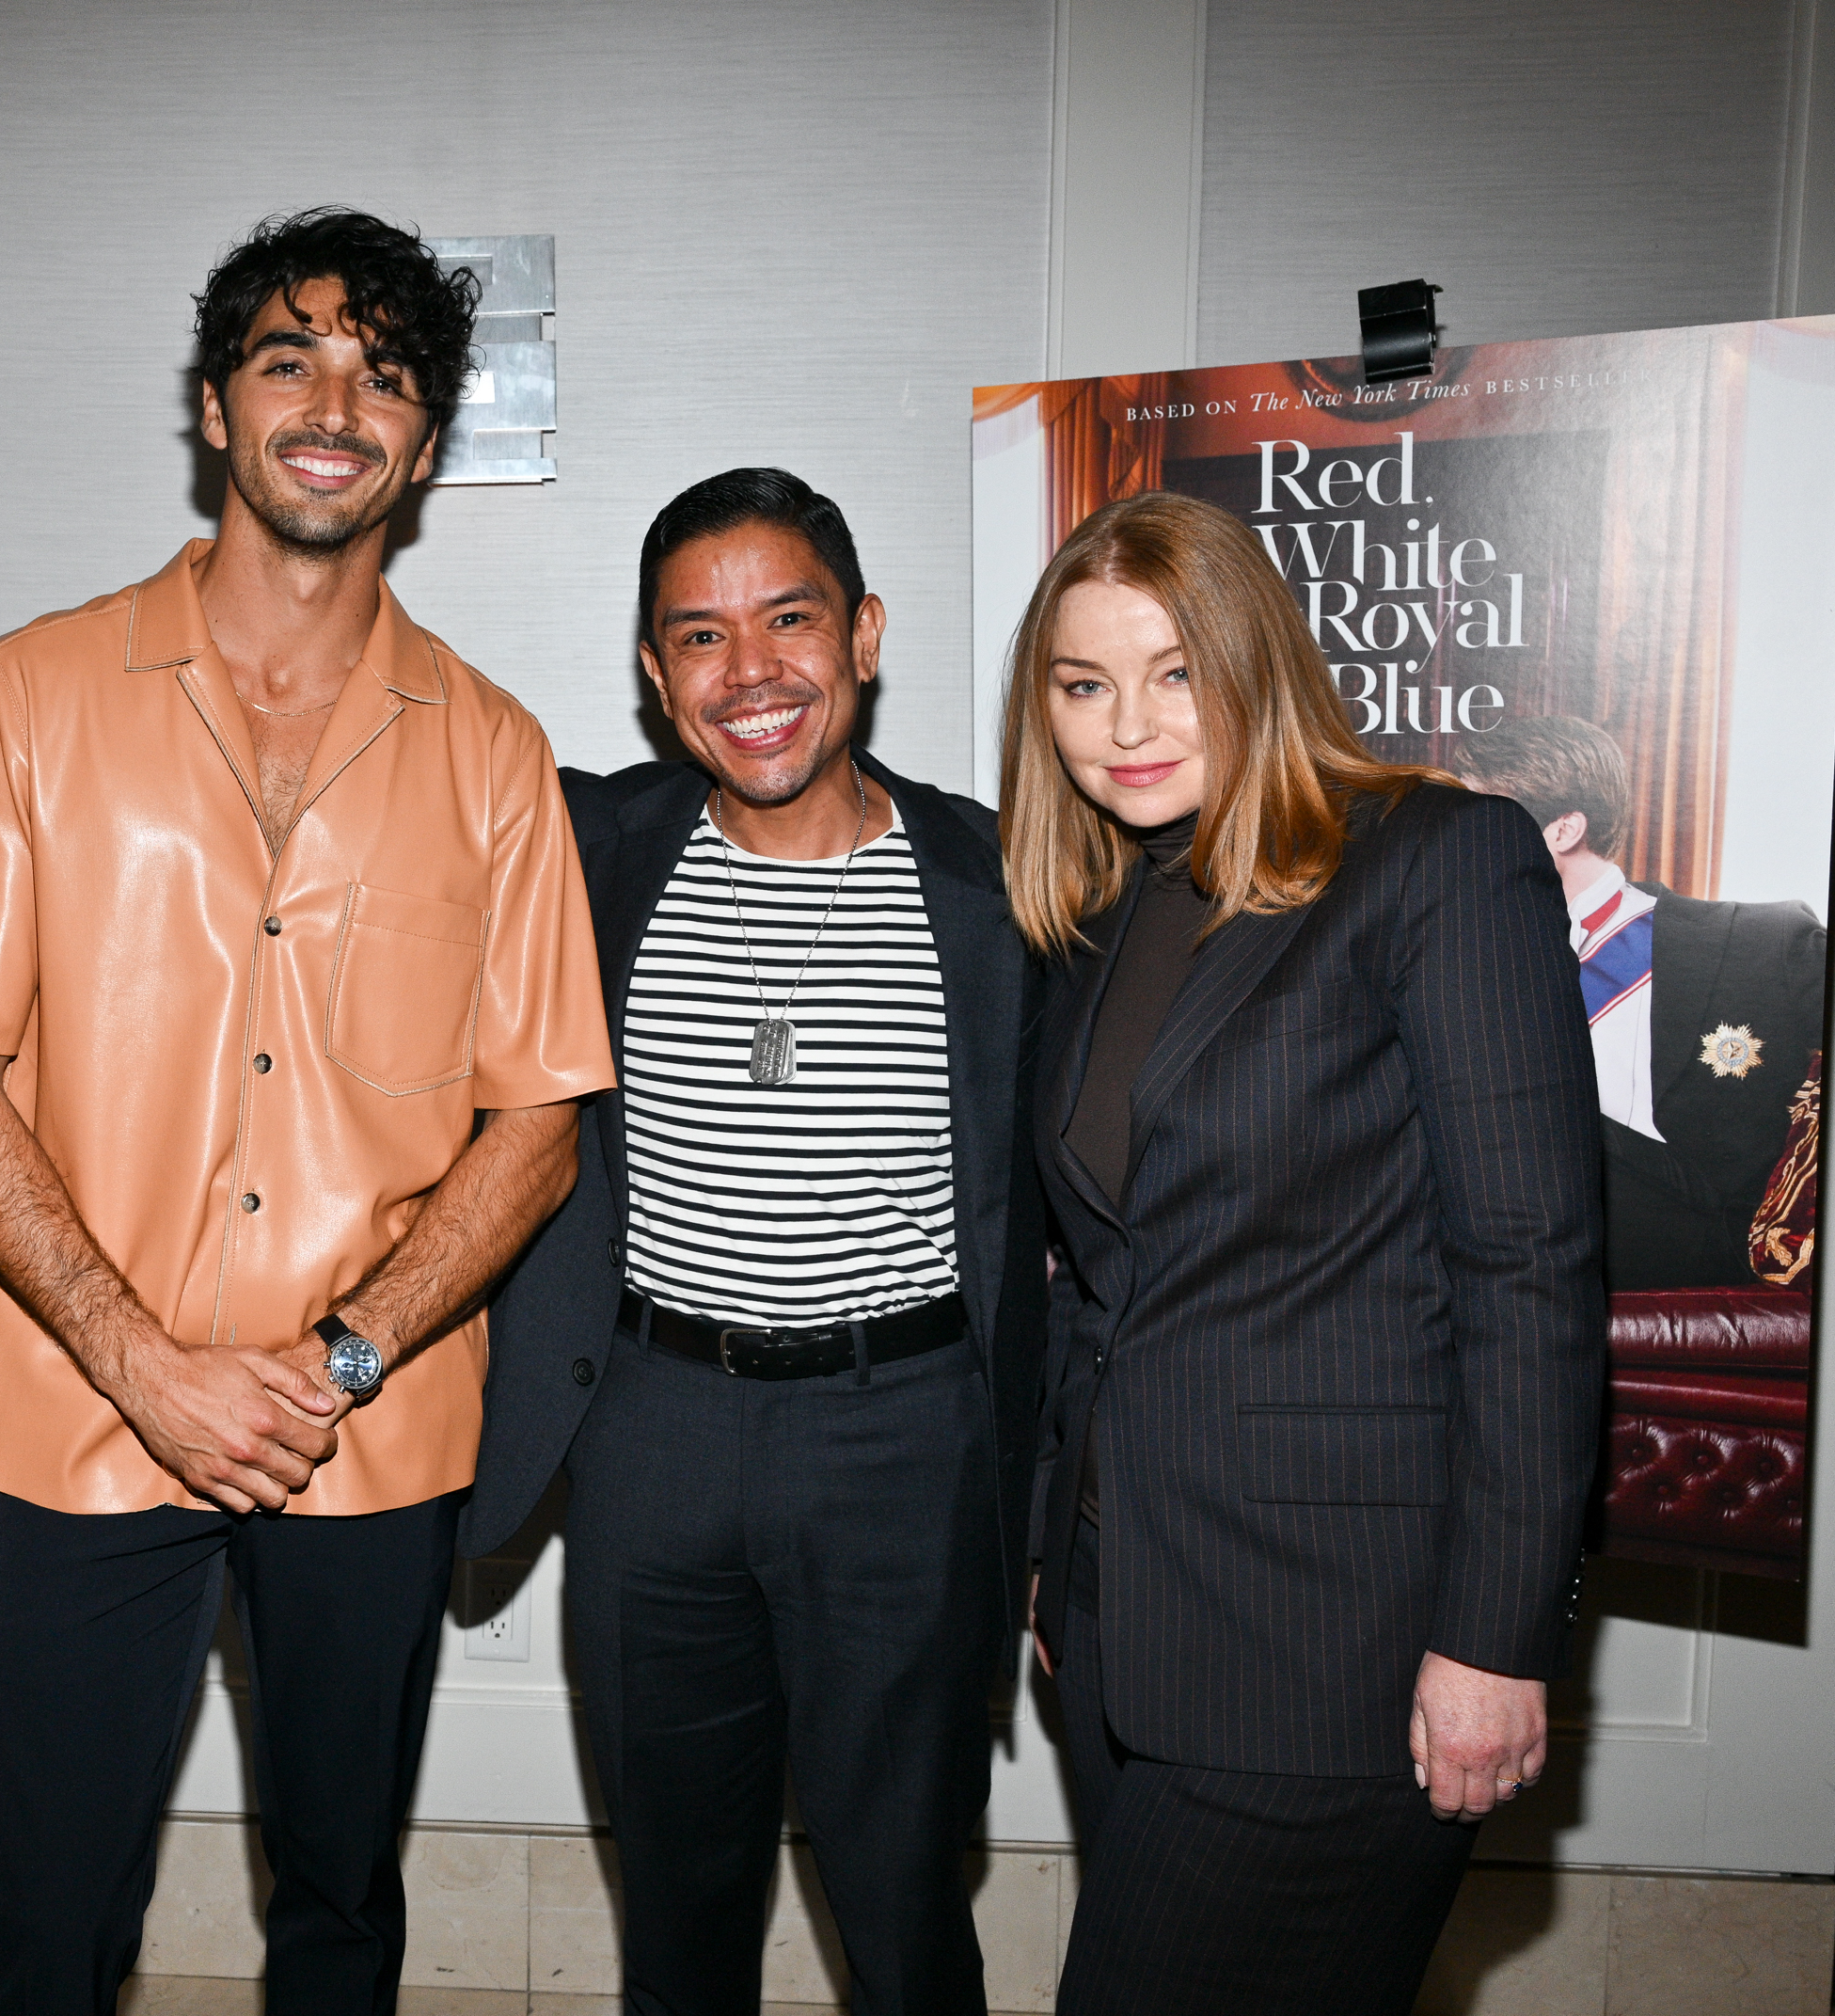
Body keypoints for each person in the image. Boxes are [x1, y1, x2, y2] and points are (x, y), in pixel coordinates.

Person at [0, 207, 612, 2015]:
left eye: (383, 373)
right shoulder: (28, 698)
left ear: (427, 443)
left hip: (368, 1429)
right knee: (43, 1924)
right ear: (217, 409)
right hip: (78, 1416)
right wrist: (147, 1362)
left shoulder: (498, 749)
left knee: (344, 1906)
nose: (335, 400)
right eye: (290, 358)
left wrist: (341, 1360)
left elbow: (540, 1121)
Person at [1004, 491, 1606, 2016]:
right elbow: (1108, 1282)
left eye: (1174, 668)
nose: (1128, 722)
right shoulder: (1097, 914)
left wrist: (1494, 1636)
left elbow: (1530, 1272)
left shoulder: (1435, 860)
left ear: (1258, 660)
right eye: (1084, 683)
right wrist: (1057, 1546)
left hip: (1342, 1648)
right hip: (1129, 1621)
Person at [469, 468, 1048, 2015]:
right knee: (678, 1904)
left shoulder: (1006, 882)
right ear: (658, 677)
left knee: (908, 1895)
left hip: (906, 1437)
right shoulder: (592, 847)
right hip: (655, 1428)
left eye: (788, 619)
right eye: (702, 637)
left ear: (861, 634)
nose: (753, 674)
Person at [1450, 714, 1826, 1289]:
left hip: (1689, 1232)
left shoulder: (1766, 945)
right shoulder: (1453, 964)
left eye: (1472, 821)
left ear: (1561, 830)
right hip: (1507, 1232)